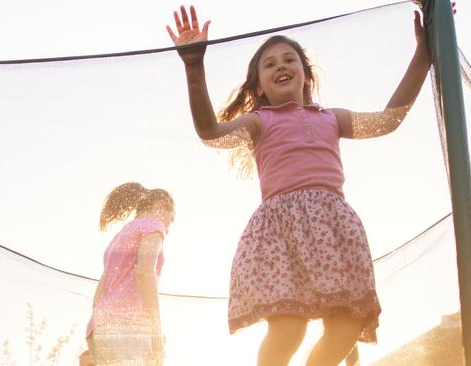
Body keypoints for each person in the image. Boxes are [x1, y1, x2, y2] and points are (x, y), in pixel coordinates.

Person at [166, 4, 447, 366]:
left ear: (306, 76)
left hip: (333, 227)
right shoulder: (259, 122)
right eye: (270, 64)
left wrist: (423, 53)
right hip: (280, 230)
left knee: (346, 326)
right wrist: (194, 67)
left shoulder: (331, 118)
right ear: (259, 88)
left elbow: (387, 120)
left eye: (289, 60)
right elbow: (210, 132)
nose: (281, 66)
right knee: (289, 330)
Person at [86, 182, 175, 366]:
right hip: (128, 327)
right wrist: (156, 334)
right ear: (160, 204)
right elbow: (144, 273)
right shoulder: (153, 226)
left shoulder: (122, 235)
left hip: (98, 329)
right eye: (171, 219)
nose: (169, 226)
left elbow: (97, 299)